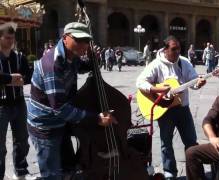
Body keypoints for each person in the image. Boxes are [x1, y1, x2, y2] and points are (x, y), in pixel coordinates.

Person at [26, 22, 117, 179]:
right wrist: (96, 118)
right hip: (45, 127)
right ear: (65, 38)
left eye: (87, 41)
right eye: (79, 40)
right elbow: (60, 108)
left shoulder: (71, 56)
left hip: (61, 123)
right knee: (52, 174)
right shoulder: (52, 65)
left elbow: (83, 67)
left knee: (68, 168)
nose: (84, 44)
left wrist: (94, 60)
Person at [136, 36, 206, 179]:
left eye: (179, 48)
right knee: (165, 142)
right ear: (165, 49)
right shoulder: (156, 64)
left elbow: (193, 80)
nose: (177, 52)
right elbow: (140, 82)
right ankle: (170, 172)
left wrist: (198, 84)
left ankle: (195, 173)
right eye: (174, 49)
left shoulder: (184, 62)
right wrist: (156, 90)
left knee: (191, 142)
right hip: (165, 110)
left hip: (183, 108)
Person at [0, 22, 34, 180]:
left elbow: (27, 75)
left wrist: (20, 79)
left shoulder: (19, 56)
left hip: (19, 103)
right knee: (0, 146)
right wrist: (10, 78)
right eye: (7, 38)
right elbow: (13, 78)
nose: (10, 41)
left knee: (22, 140)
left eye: (12, 38)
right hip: (1, 106)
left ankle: (20, 172)